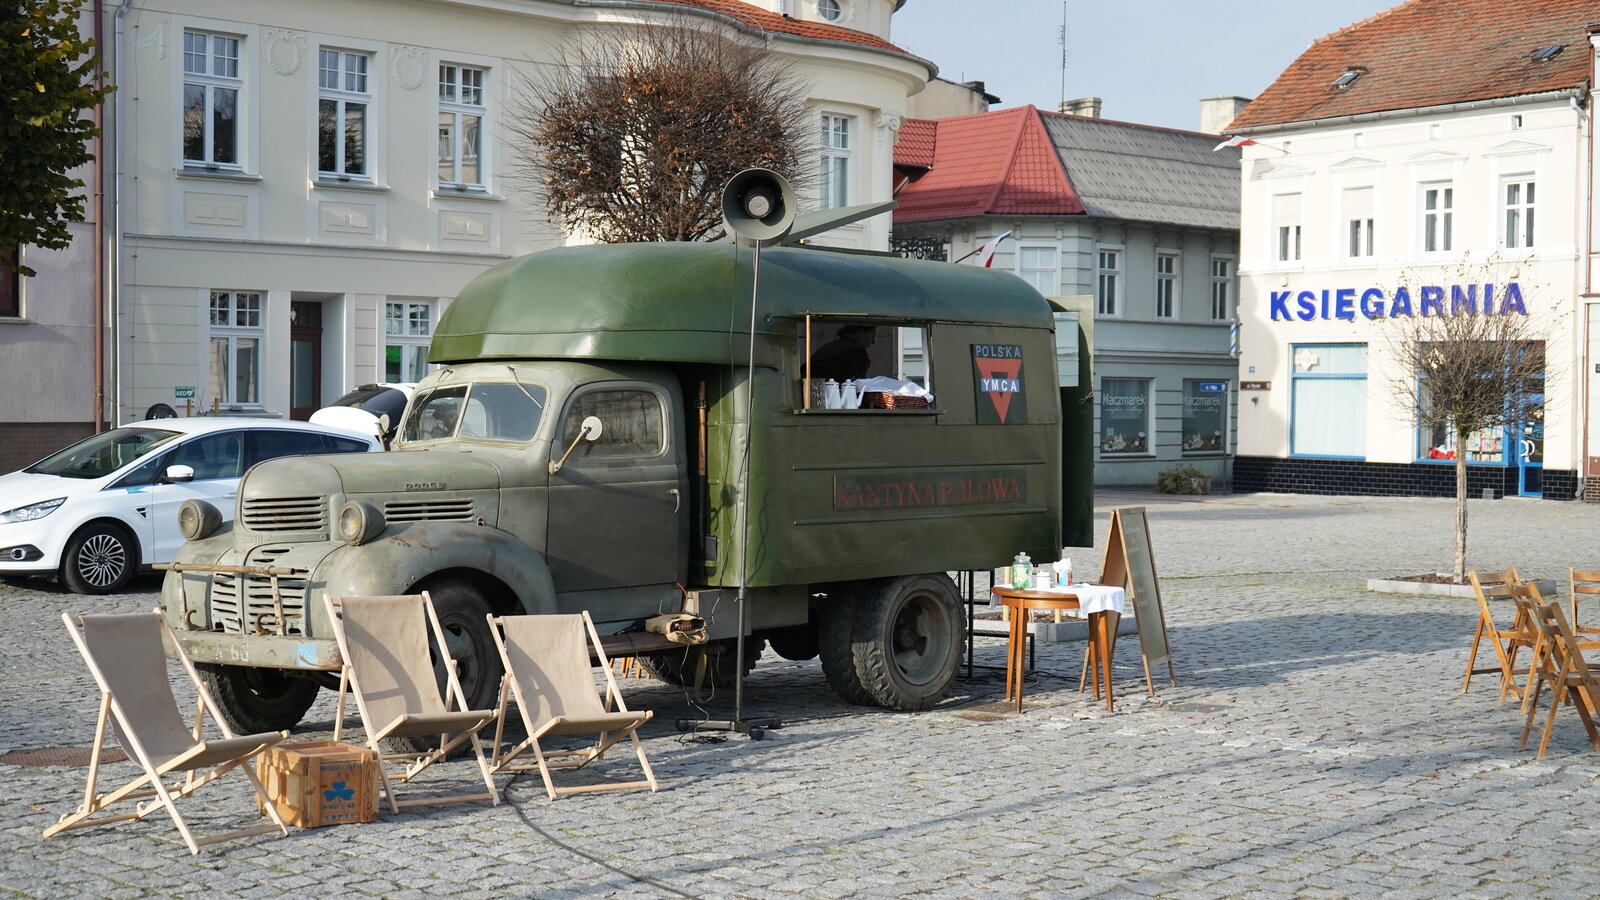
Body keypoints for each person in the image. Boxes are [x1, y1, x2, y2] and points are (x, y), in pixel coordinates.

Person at [808, 325, 876, 381]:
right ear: (860, 333)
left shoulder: (832, 346)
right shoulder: (856, 352)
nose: (873, 342)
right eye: (872, 336)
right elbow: (857, 384)